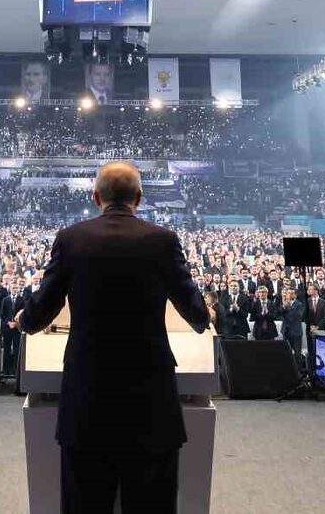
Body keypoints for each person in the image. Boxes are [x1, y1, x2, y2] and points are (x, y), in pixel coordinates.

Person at [15, 162, 209, 514]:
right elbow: (198, 315)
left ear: (95, 197)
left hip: (88, 398)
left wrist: (24, 319)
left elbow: (40, 311)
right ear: (139, 197)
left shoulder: (71, 239)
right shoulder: (163, 241)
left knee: (86, 503)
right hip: (150, 402)